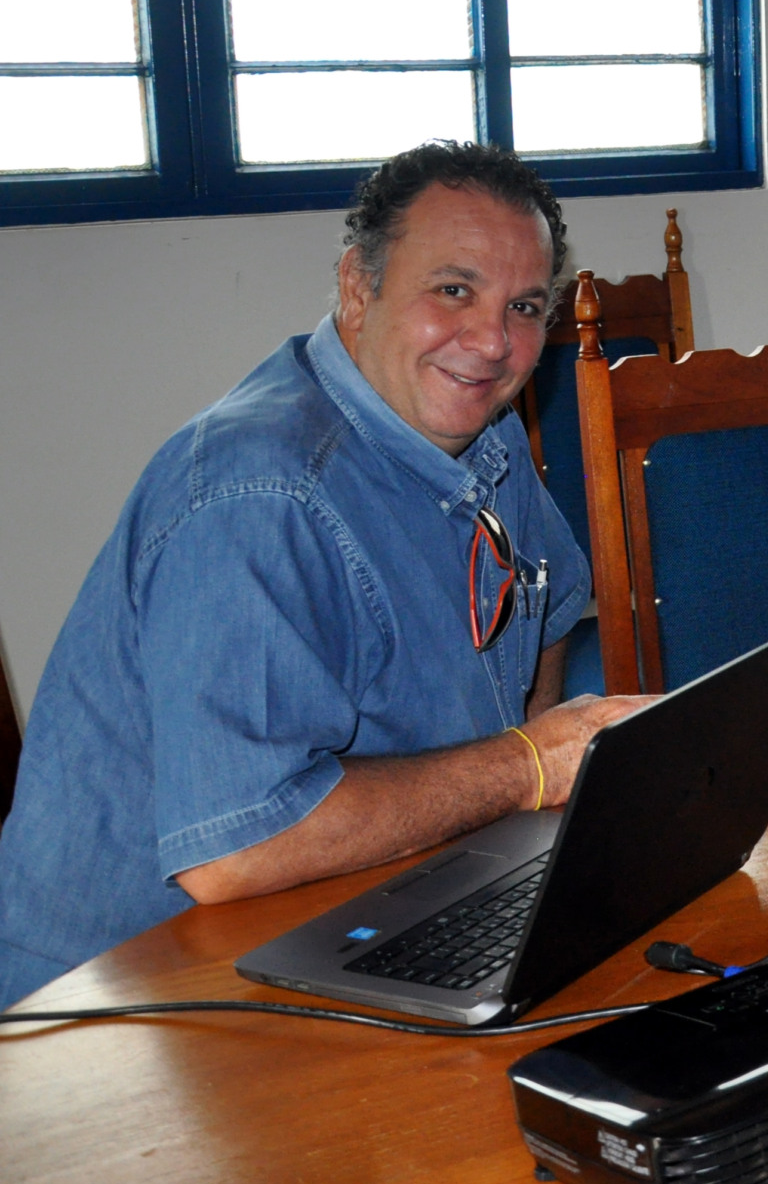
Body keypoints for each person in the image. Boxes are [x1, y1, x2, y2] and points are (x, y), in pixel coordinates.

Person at [0, 143, 643, 1008]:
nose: (492, 342)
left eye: (523, 306)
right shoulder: (255, 493)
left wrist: (526, 826)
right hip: (114, 1008)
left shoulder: (482, 435)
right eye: (453, 290)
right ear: (356, 286)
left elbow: (549, 609)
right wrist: (528, 766)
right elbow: (238, 851)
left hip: (352, 916)